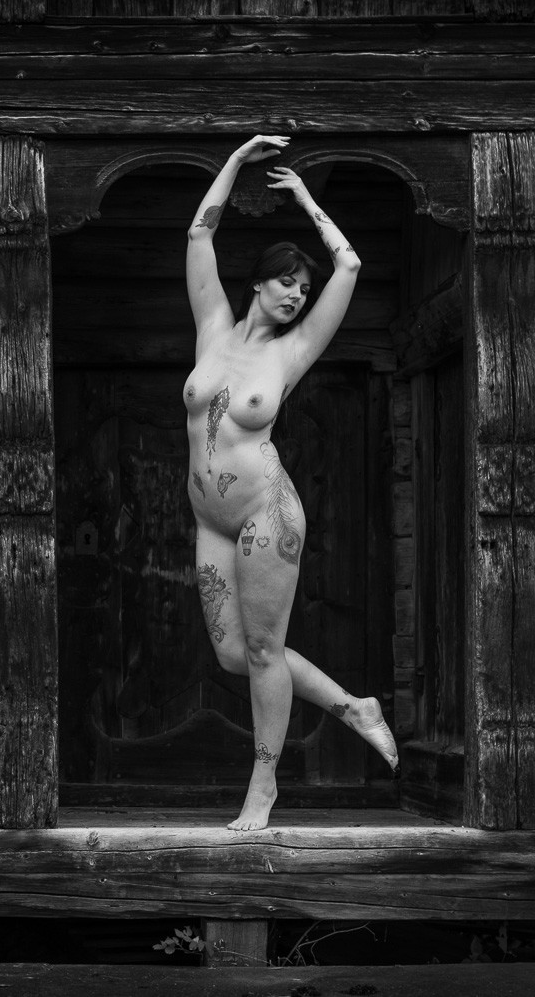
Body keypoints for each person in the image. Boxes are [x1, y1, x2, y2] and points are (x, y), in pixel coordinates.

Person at [182, 134, 399, 831]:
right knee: (232, 654)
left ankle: (263, 788)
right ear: (258, 282)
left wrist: (305, 198)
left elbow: (349, 263)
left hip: (264, 514)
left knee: (264, 650)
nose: (297, 296)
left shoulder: (292, 352)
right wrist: (235, 160)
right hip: (211, 520)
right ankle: (353, 706)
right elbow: (200, 233)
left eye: (303, 290)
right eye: (287, 283)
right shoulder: (212, 327)